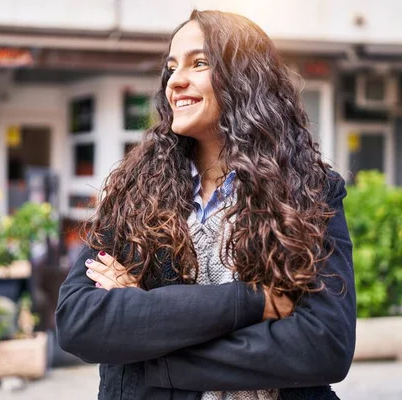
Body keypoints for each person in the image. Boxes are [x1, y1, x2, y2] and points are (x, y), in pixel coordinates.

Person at [56, 9, 355, 400]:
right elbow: (79, 321)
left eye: (199, 63)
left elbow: (323, 345)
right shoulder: (136, 191)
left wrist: (152, 337)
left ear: (245, 79)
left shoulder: (309, 190)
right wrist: (251, 302)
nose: (176, 81)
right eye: (171, 68)